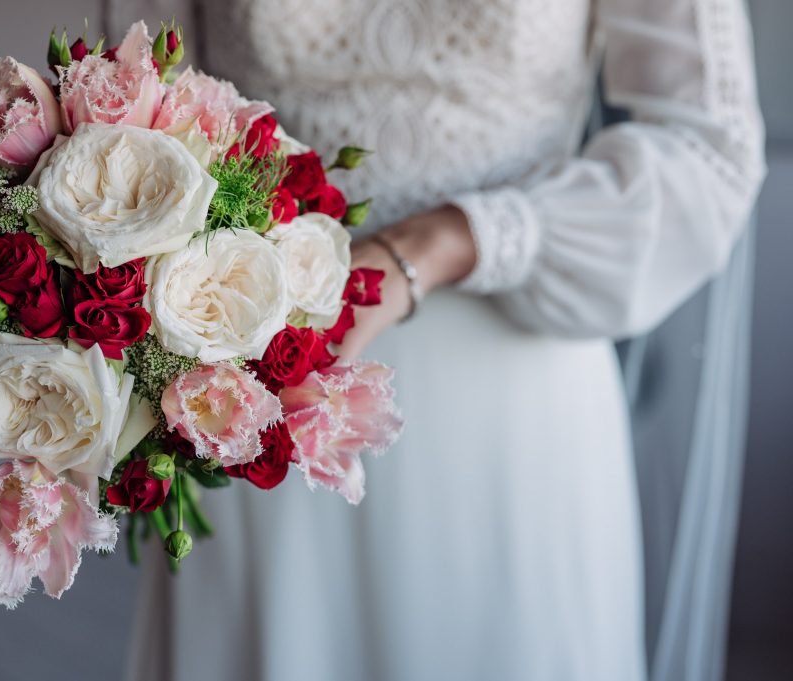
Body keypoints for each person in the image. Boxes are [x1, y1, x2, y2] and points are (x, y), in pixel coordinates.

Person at [115, 1, 766, 679]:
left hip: (517, 400)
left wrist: (452, 239)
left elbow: (707, 151)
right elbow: (139, 109)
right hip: (262, 399)